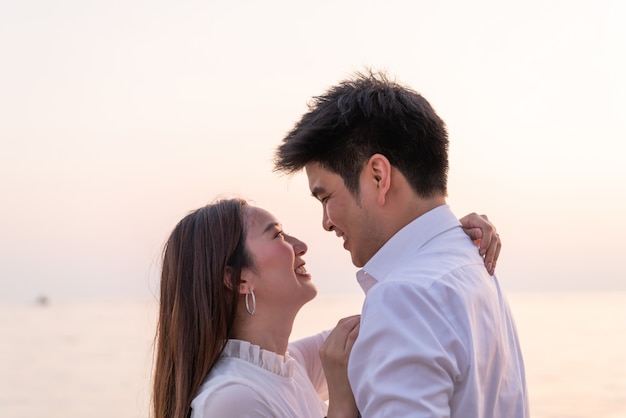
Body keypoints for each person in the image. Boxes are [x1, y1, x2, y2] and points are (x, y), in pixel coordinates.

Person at [273, 70, 529, 417]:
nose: (326, 222)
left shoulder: (404, 295)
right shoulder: (475, 263)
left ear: (378, 176)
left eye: (326, 196)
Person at [151, 197, 503, 418]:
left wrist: (444, 238)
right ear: (239, 280)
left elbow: (398, 313)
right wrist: (342, 403)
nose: (300, 245)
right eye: (277, 236)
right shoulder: (229, 402)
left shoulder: (287, 366)